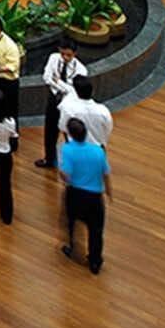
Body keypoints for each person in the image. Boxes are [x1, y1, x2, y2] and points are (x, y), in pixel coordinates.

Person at [58, 116, 109, 274]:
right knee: (96, 230)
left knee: (71, 221)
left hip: (75, 193)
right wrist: (109, 191)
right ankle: (95, 261)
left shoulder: (67, 150)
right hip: (94, 197)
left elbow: (65, 175)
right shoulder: (98, 151)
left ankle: (72, 247)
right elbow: (105, 174)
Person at [36, 37, 86, 169]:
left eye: (68, 55)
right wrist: (62, 86)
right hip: (54, 99)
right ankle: (49, 159)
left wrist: (57, 82)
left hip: (69, 104)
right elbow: (46, 77)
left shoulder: (81, 70)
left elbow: (73, 91)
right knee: (50, 130)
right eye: (62, 53)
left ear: (75, 54)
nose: (64, 57)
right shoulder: (53, 58)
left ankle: (74, 163)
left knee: (70, 133)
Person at [58, 75, 114, 149]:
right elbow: (108, 129)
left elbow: (63, 127)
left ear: (76, 92)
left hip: (75, 148)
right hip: (97, 148)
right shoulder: (103, 111)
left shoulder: (68, 109)